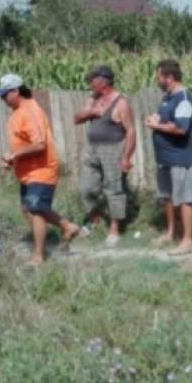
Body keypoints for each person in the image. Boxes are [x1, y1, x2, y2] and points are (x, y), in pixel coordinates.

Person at [0, 73, 83, 265]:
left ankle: (38, 257)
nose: (2, 99)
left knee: (36, 210)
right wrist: (12, 159)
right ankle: (67, 226)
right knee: (29, 209)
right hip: (28, 172)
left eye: (4, 94)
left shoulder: (30, 110)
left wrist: (14, 155)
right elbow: (24, 145)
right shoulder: (17, 112)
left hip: (42, 169)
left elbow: (40, 144)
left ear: (15, 91)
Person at [73, 65, 136, 248]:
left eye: (92, 80)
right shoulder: (92, 99)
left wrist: (126, 157)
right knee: (86, 189)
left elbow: (131, 132)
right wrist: (91, 112)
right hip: (92, 149)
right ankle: (95, 218)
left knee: (113, 188)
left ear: (102, 82)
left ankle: (114, 229)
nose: (90, 84)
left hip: (113, 149)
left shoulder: (121, 102)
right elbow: (76, 119)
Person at [144, 59, 192, 255]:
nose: (157, 80)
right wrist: (154, 118)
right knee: (167, 196)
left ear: (169, 78)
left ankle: (187, 240)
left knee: (184, 198)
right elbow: (164, 117)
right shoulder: (167, 96)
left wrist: (156, 126)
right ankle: (171, 232)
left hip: (179, 157)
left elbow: (181, 128)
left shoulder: (183, 98)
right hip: (164, 157)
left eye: (159, 76)